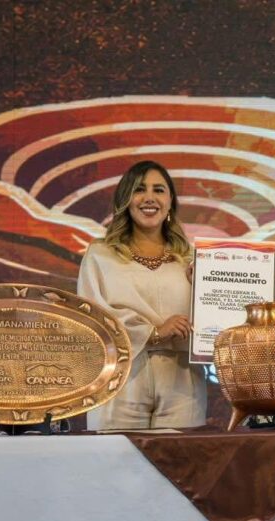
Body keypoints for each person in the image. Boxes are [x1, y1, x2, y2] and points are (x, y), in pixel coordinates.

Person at [77, 160, 206, 430]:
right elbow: (90, 318)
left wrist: (203, 289)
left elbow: (213, 324)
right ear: (125, 199)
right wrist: (154, 332)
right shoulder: (100, 254)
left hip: (182, 381)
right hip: (121, 377)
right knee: (117, 456)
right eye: (139, 189)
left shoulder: (193, 259)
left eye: (159, 190)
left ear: (170, 202)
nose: (149, 198)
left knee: (181, 457)